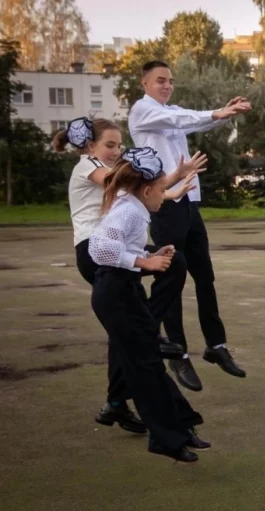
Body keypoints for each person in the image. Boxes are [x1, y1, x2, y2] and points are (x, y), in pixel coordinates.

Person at [53, 117, 202, 432]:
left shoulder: (114, 181)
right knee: (131, 326)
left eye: (119, 145)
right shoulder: (85, 165)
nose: (116, 150)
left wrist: (170, 188)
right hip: (96, 251)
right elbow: (123, 182)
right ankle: (148, 337)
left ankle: (117, 402)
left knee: (127, 326)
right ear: (90, 145)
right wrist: (172, 176)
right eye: (110, 144)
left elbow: (139, 192)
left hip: (114, 245)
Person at [128, 60, 251, 392]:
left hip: (189, 202)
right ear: (144, 83)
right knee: (172, 277)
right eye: (160, 81)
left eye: (170, 81)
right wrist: (215, 114)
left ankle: (216, 345)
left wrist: (221, 114)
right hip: (165, 202)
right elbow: (181, 118)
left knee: (205, 275)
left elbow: (190, 122)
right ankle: (177, 352)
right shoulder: (143, 112)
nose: (167, 86)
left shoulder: (171, 111)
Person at [89, 147, 209, 462]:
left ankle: (179, 429)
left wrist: (148, 257)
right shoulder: (128, 209)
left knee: (147, 363)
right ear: (146, 191)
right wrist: (144, 261)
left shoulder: (133, 204)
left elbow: (119, 247)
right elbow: (99, 249)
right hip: (114, 294)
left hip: (122, 290)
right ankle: (170, 436)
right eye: (161, 190)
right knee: (143, 366)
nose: (164, 195)